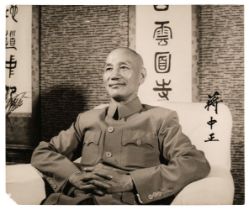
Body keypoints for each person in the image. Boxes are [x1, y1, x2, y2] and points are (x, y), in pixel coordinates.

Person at [31, 47, 210, 205]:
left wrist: (131, 181)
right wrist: (72, 176)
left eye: (123, 67)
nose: (114, 75)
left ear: (141, 76)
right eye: (109, 68)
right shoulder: (87, 119)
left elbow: (195, 162)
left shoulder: (160, 118)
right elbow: (43, 152)